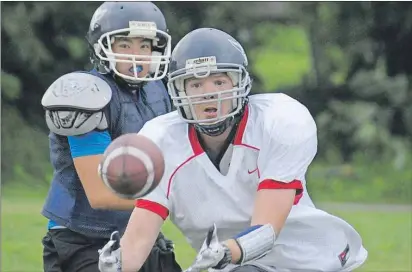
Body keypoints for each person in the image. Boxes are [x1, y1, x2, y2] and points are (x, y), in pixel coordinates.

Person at [98, 28, 368, 272]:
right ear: (179, 91)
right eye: (195, 84)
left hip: (308, 257)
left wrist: (227, 252)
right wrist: (118, 266)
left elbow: (266, 232)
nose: (208, 93)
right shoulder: (160, 138)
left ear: (240, 84)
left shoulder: (280, 121)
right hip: (236, 265)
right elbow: (139, 237)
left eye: (219, 82)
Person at [40, 2, 181, 272]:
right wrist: (175, 200)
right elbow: (101, 194)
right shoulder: (84, 94)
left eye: (145, 45)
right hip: (83, 237)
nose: (136, 56)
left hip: (139, 228)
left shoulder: (159, 90)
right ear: (103, 47)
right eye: (125, 45)